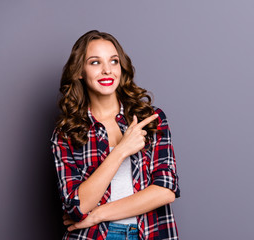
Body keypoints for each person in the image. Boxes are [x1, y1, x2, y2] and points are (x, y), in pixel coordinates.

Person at [50, 30, 180, 240]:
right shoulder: (67, 132)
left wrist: (99, 214)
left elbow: (165, 190)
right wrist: (120, 151)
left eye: (113, 61)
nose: (107, 70)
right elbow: (77, 206)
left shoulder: (150, 118)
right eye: (95, 62)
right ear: (79, 71)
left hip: (149, 233)